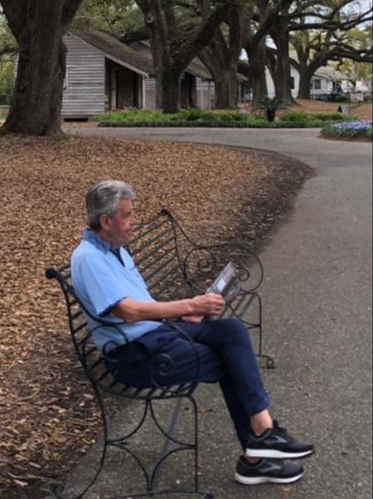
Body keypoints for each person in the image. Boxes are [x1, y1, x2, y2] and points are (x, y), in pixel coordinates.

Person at [71, 180, 314, 488]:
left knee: (231, 331)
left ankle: (262, 439)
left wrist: (187, 313)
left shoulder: (115, 249)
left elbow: (142, 306)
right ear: (106, 221)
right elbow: (129, 312)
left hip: (156, 335)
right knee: (230, 359)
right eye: (128, 215)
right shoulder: (89, 259)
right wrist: (189, 303)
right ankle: (258, 450)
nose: (134, 222)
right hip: (134, 357)